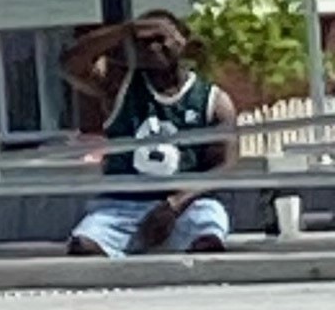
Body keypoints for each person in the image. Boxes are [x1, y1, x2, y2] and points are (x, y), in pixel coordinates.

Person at [63, 14, 237, 259]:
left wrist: (174, 204)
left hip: (186, 205)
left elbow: (224, 166)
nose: (153, 47)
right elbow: (70, 65)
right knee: (83, 247)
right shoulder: (118, 85)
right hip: (121, 205)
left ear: (183, 42)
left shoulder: (214, 100)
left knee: (207, 237)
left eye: (160, 38)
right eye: (142, 42)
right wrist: (124, 30)